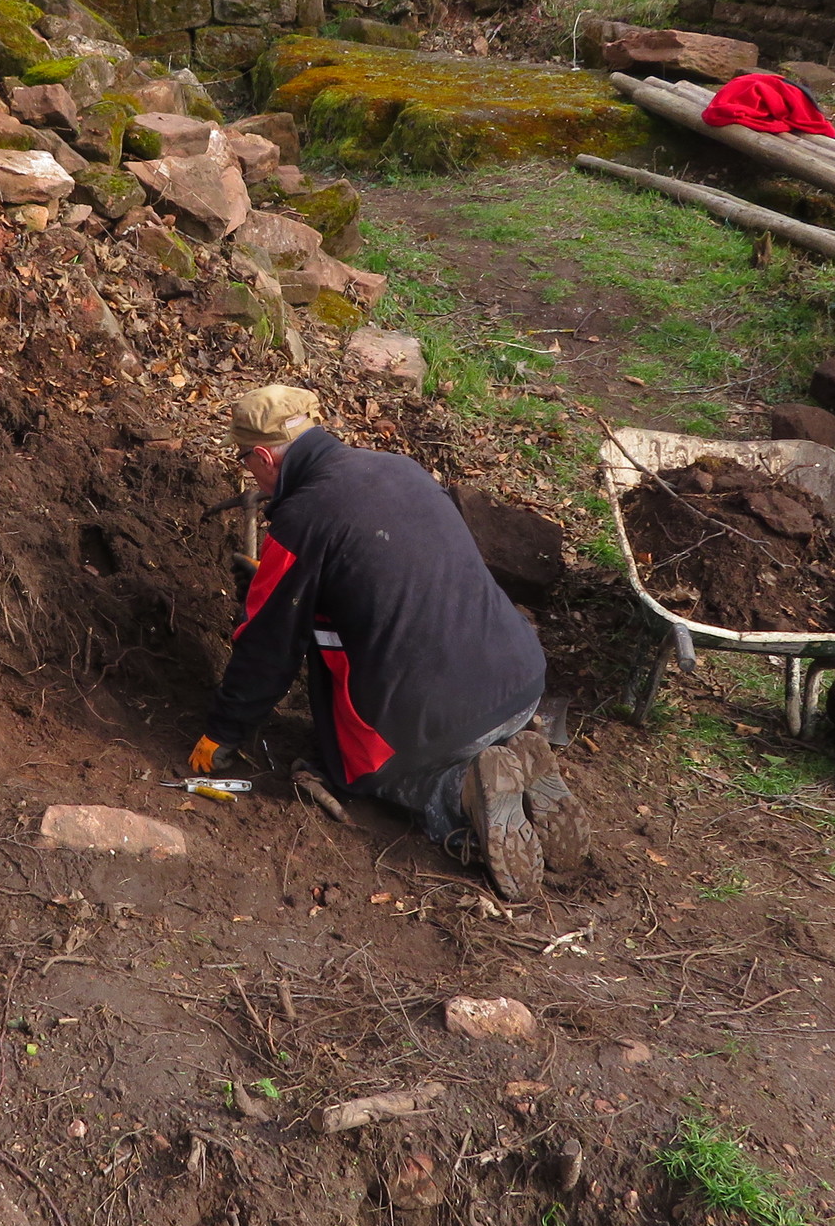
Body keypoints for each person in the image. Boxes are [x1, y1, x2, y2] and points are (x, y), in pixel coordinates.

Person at [189, 384, 575, 898]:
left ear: (263, 456)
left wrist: (224, 731)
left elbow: (267, 648)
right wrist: (285, 580)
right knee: (462, 726)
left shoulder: (302, 520)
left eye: (246, 463)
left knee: (371, 774)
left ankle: (459, 795)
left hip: (444, 717)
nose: (250, 475)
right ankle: (515, 753)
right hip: (520, 678)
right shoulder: (399, 468)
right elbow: (390, 573)